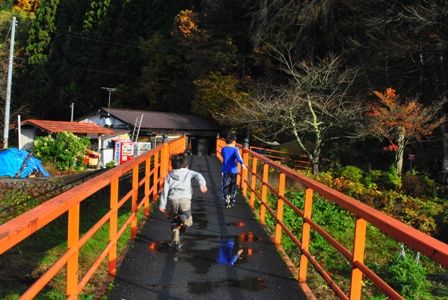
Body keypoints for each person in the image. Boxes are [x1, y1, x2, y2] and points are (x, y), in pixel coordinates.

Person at [159, 153, 207, 248]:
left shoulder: (169, 175)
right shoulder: (188, 172)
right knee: (189, 221)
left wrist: (162, 205)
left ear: (172, 165)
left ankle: (175, 238)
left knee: (173, 220)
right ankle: (184, 221)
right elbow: (199, 175)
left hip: (173, 200)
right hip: (185, 200)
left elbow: (165, 190)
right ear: (186, 165)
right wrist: (202, 184)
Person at [221, 134, 247, 208]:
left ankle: (226, 197)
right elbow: (239, 158)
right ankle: (232, 199)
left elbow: (223, 156)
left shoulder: (223, 149)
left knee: (226, 184)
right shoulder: (235, 149)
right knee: (233, 184)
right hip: (234, 170)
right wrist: (243, 164)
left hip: (225, 170)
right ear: (233, 142)